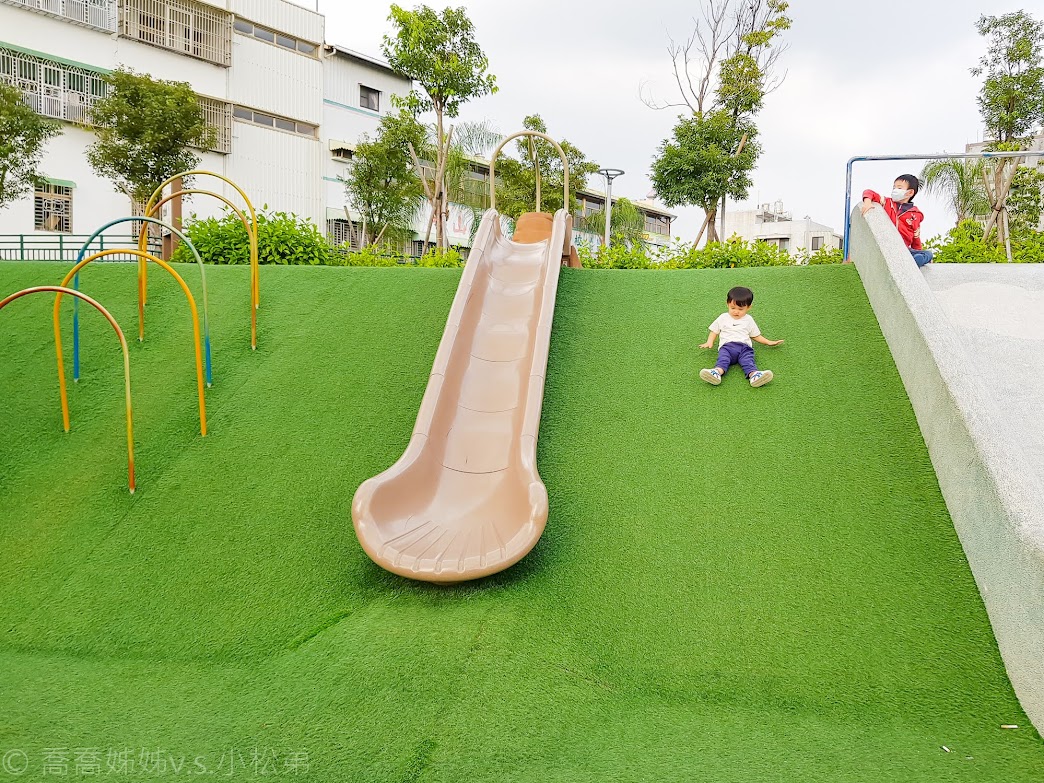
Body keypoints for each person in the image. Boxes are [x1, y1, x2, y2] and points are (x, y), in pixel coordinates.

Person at [698, 286, 784, 388]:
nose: (736, 311)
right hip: (727, 347)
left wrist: (768, 342)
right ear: (727, 304)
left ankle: (754, 375)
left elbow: (755, 335)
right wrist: (709, 342)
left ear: (748, 307)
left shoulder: (749, 320)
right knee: (723, 360)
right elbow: (714, 331)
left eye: (740, 309)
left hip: (744, 348)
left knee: (748, 361)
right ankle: (716, 372)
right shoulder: (723, 317)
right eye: (732, 308)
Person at [860, 175, 934, 267]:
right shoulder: (887, 203)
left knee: (928, 254)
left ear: (910, 192)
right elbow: (869, 192)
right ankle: (910, 262)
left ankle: (913, 262)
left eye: (899, 188)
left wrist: (919, 252)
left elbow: (916, 238)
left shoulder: (916, 215)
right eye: (894, 187)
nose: (895, 190)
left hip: (905, 250)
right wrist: (867, 202)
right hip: (888, 246)